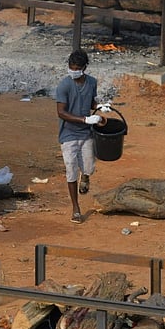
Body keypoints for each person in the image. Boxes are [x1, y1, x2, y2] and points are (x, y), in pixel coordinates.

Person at [55, 49, 110, 224]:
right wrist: (85, 119)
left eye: (77, 68)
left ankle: (85, 177)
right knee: (71, 169)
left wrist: (100, 106)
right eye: (71, 67)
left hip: (86, 134)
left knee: (89, 167)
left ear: (84, 67)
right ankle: (76, 208)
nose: (73, 71)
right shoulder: (64, 85)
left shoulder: (92, 82)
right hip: (69, 134)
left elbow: (90, 101)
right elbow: (61, 112)